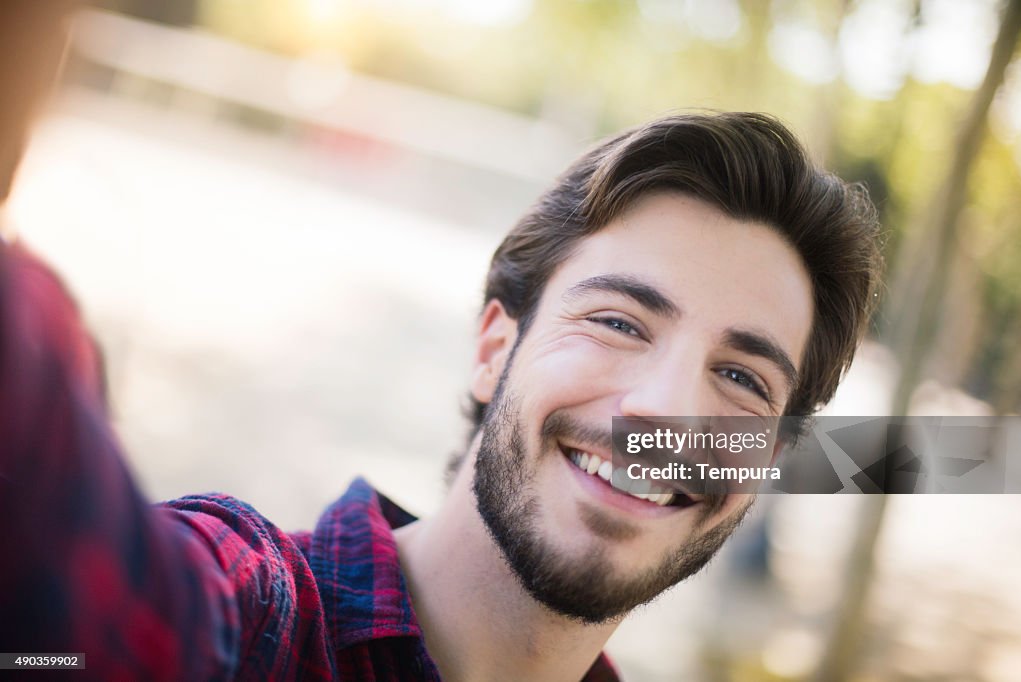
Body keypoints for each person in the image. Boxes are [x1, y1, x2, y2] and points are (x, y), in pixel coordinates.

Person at [0, 5, 882, 679]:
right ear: (495, 346)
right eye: (618, 322)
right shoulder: (258, 613)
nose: (665, 411)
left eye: (740, 377)